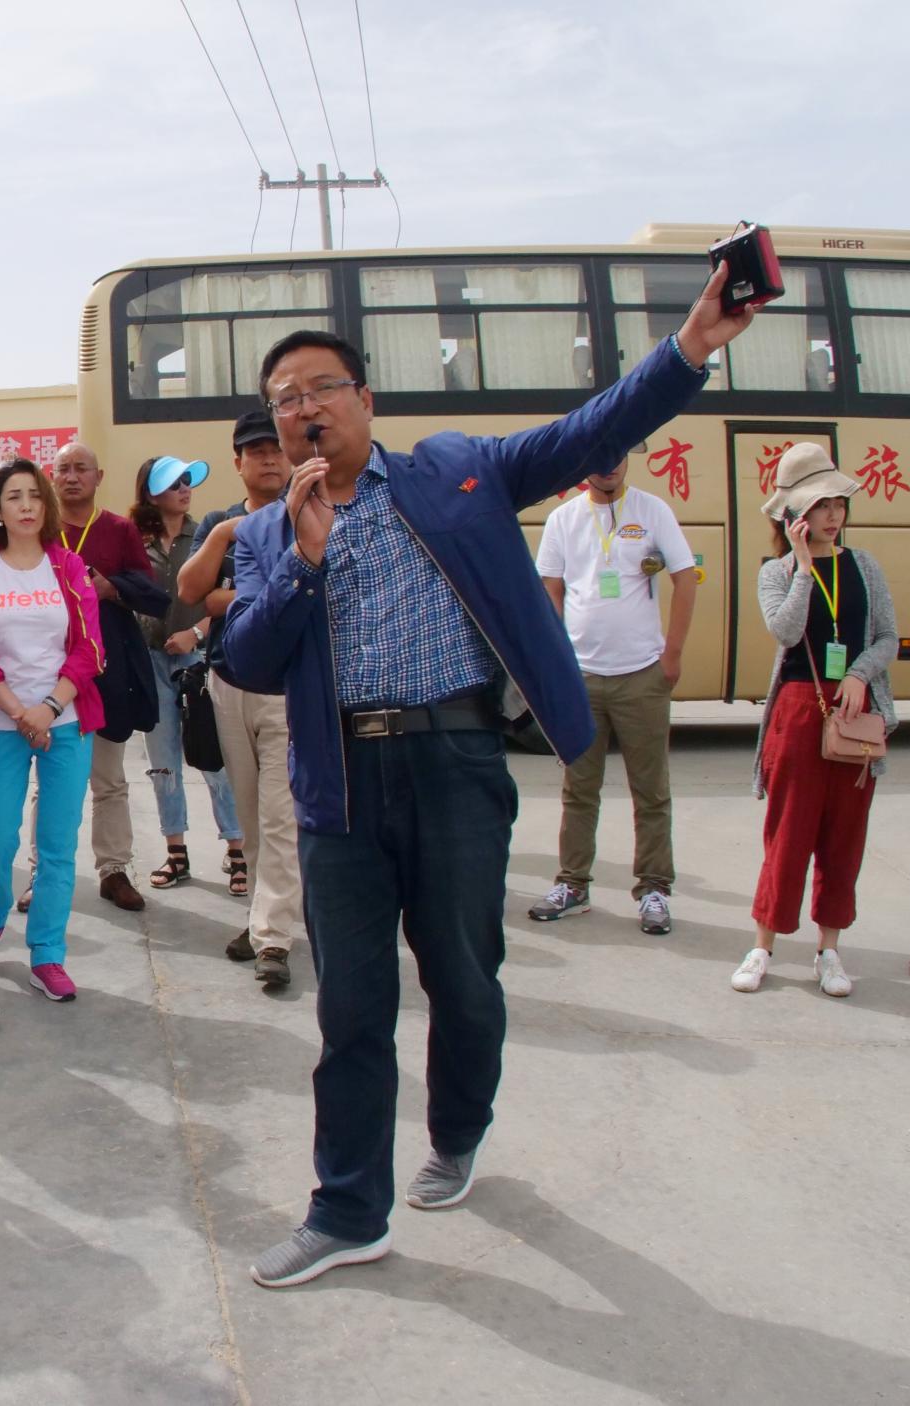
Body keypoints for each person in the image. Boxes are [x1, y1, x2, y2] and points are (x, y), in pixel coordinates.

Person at [225, 268, 756, 1289]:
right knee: (351, 1007)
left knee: (462, 977)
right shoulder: (258, 532)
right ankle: (346, 1209)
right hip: (336, 781)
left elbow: (588, 428)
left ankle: (457, 1130)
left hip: (455, 762)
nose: (302, 409)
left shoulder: (452, 472)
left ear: (364, 400)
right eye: (283, 397)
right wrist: (301, 558)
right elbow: (246, 661)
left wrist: (691, 341)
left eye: (318, 387)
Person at [734, 444, 898, 998]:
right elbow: (784, 632)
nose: (833, 515)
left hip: (856, 711)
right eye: (820, 505)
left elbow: (888, 637)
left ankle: (829, 950)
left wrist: (858, 674)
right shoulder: (776, 573)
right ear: (794, 516)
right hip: (799, 711)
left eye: (837, 503)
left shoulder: (866, 566)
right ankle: (763, 944)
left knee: (843, 835)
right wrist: (804, 568)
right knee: (788, 832)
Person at [0, 459, 107, 1001]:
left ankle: (47, 953)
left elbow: (90, 649)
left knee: (58, 846)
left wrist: (48, 707)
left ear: (45, 506)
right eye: (13, 497)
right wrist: (20, 712)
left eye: (33, 496)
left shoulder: (68, 567)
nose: (24, 506)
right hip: (0, 722)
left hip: (65, 720)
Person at [528, 454, 700, 935]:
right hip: (581, 678)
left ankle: (654, 890)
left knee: (651, 791)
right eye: (599, 456)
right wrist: (556, 661)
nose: (608, 465)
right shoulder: (564, 518)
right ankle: (573, 884)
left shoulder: (652, 511)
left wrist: (673, 654)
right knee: (579, 790)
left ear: (628, 460)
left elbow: (685, 578)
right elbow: (552, 590)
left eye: (617, 455)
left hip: (643, 675)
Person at [180, 411, 301, 987]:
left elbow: (288, 594)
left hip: (289, 691)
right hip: (228, 682)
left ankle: (273, 938)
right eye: (256, 451)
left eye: (276, 449)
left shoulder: (310, 511)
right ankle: (261, 918)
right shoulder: (219, 522)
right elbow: (189, 592)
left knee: (281, 818)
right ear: (239, 462)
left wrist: (232, 596)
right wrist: (228, 538)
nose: (269, 459)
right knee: (251, 818)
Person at [35, 441, 162, 914]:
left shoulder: (119, 529)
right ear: (52, 476)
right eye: (63, 468)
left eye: (80, 468)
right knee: (47, 782)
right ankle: (41, 873)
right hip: (46, 676)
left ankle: (113, 870)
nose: (71, 477)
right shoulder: (38, 530)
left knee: (109, 779)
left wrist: (111, 588)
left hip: (106, 674)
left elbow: (152, 593)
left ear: (98, 476)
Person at [132, 455, 244, 894]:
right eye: (174, 482)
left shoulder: (207, 538)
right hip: (150, 664)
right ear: (151, 492)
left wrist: (195, 632)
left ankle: (237, 850)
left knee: (213, 758)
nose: (184, 488)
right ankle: (175, 852)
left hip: (198, 663)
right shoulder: (136, 543)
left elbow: (228, 598)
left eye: (187, 481)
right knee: (163, 764)